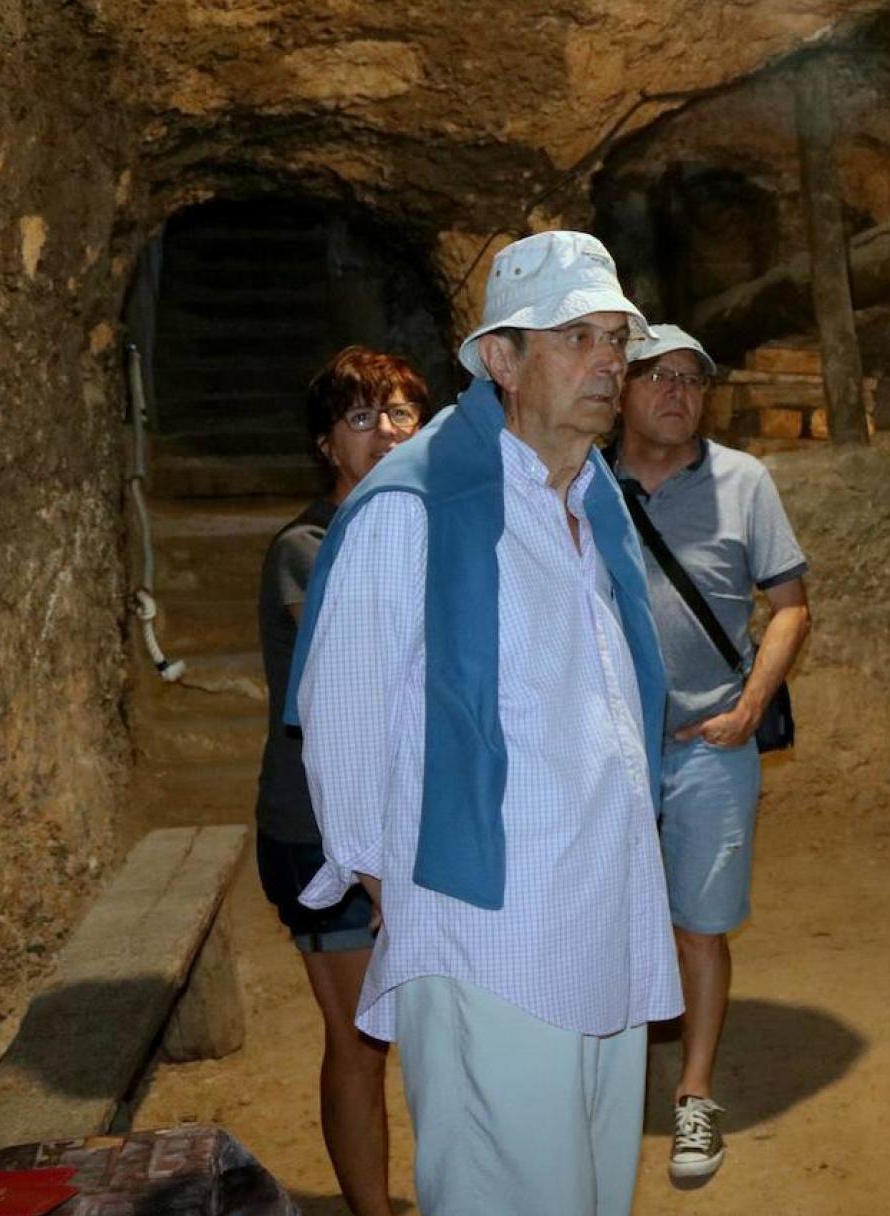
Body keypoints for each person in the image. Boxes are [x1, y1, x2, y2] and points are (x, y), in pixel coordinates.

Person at [286, 231, 681, 1216]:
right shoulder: (412, 509)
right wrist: (409, 890)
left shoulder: (597, 506)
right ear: (501, 360)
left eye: (615, 337)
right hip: (493, 938)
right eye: (574, 335)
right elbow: (339, 720)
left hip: (603, 921)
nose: (605, 360)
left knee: (589, 1196)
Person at [610, 323, 811, 1181]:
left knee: (699, 923)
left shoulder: (743, 482)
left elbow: (791, 605)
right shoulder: (579, 481)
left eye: (692, 379)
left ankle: (693, 1096)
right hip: (604, 752)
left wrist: (750, 706)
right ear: (619, 386)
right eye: (657, 375)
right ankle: (607, 1092)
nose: (676, 393)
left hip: (708, 743)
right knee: (605, 920)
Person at [255, 346, 429, 1216]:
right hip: (319, 830)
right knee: (362, 1038)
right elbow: (369, 660)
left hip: (404, 824)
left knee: (425, 1030)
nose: (386, 433)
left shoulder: (422, 530)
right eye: (361, 418)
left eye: (400, 413)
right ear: (327, 443)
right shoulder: (308, 548)